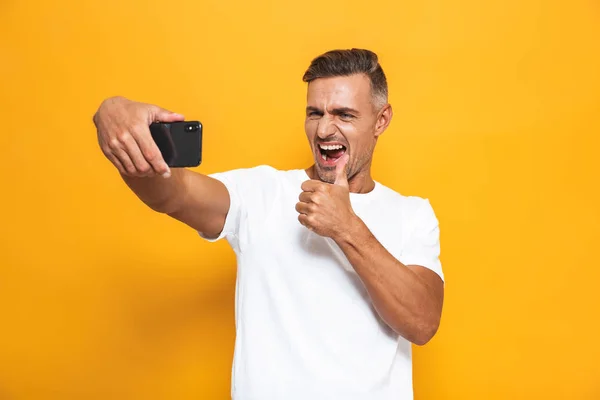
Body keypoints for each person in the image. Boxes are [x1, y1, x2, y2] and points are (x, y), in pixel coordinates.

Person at [93, 48, 444, 400]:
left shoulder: (412, 214)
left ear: (381, 120)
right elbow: (173, 195)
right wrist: (117, 118)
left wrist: (346, 227)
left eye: (344, 114)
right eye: (314, 113)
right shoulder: (262, 193)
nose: (324, 129)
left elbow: (422, 322)